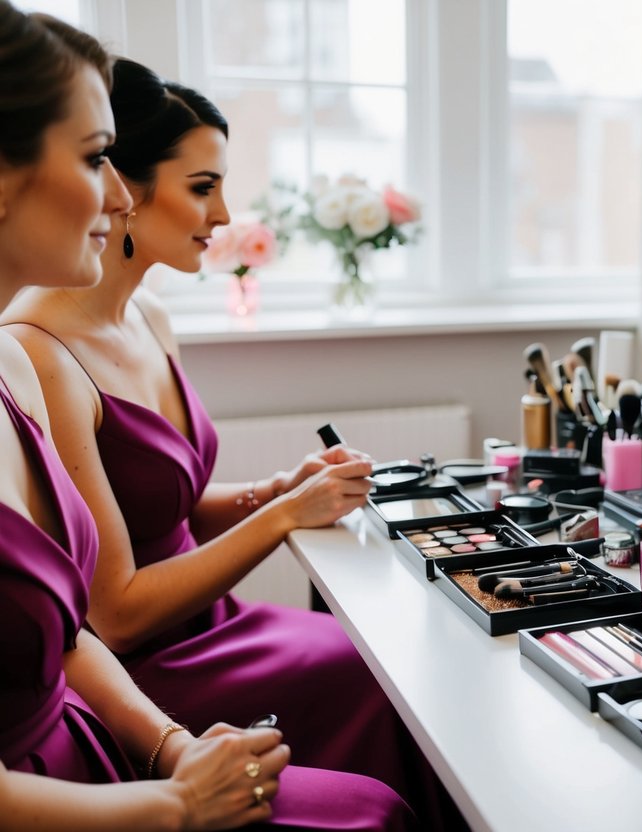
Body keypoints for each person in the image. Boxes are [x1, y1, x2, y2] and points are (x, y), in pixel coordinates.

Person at [3, 56, 460, 829]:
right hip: (155, 655)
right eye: (203, 188)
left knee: (392, 649)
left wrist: (280, 488)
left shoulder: (150, 317)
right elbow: (107, 613)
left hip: (211, 621)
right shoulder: (42, 350)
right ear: (131, 189)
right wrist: (280, 518)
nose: (222, 217)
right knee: (376, 672)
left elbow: (167, 511)